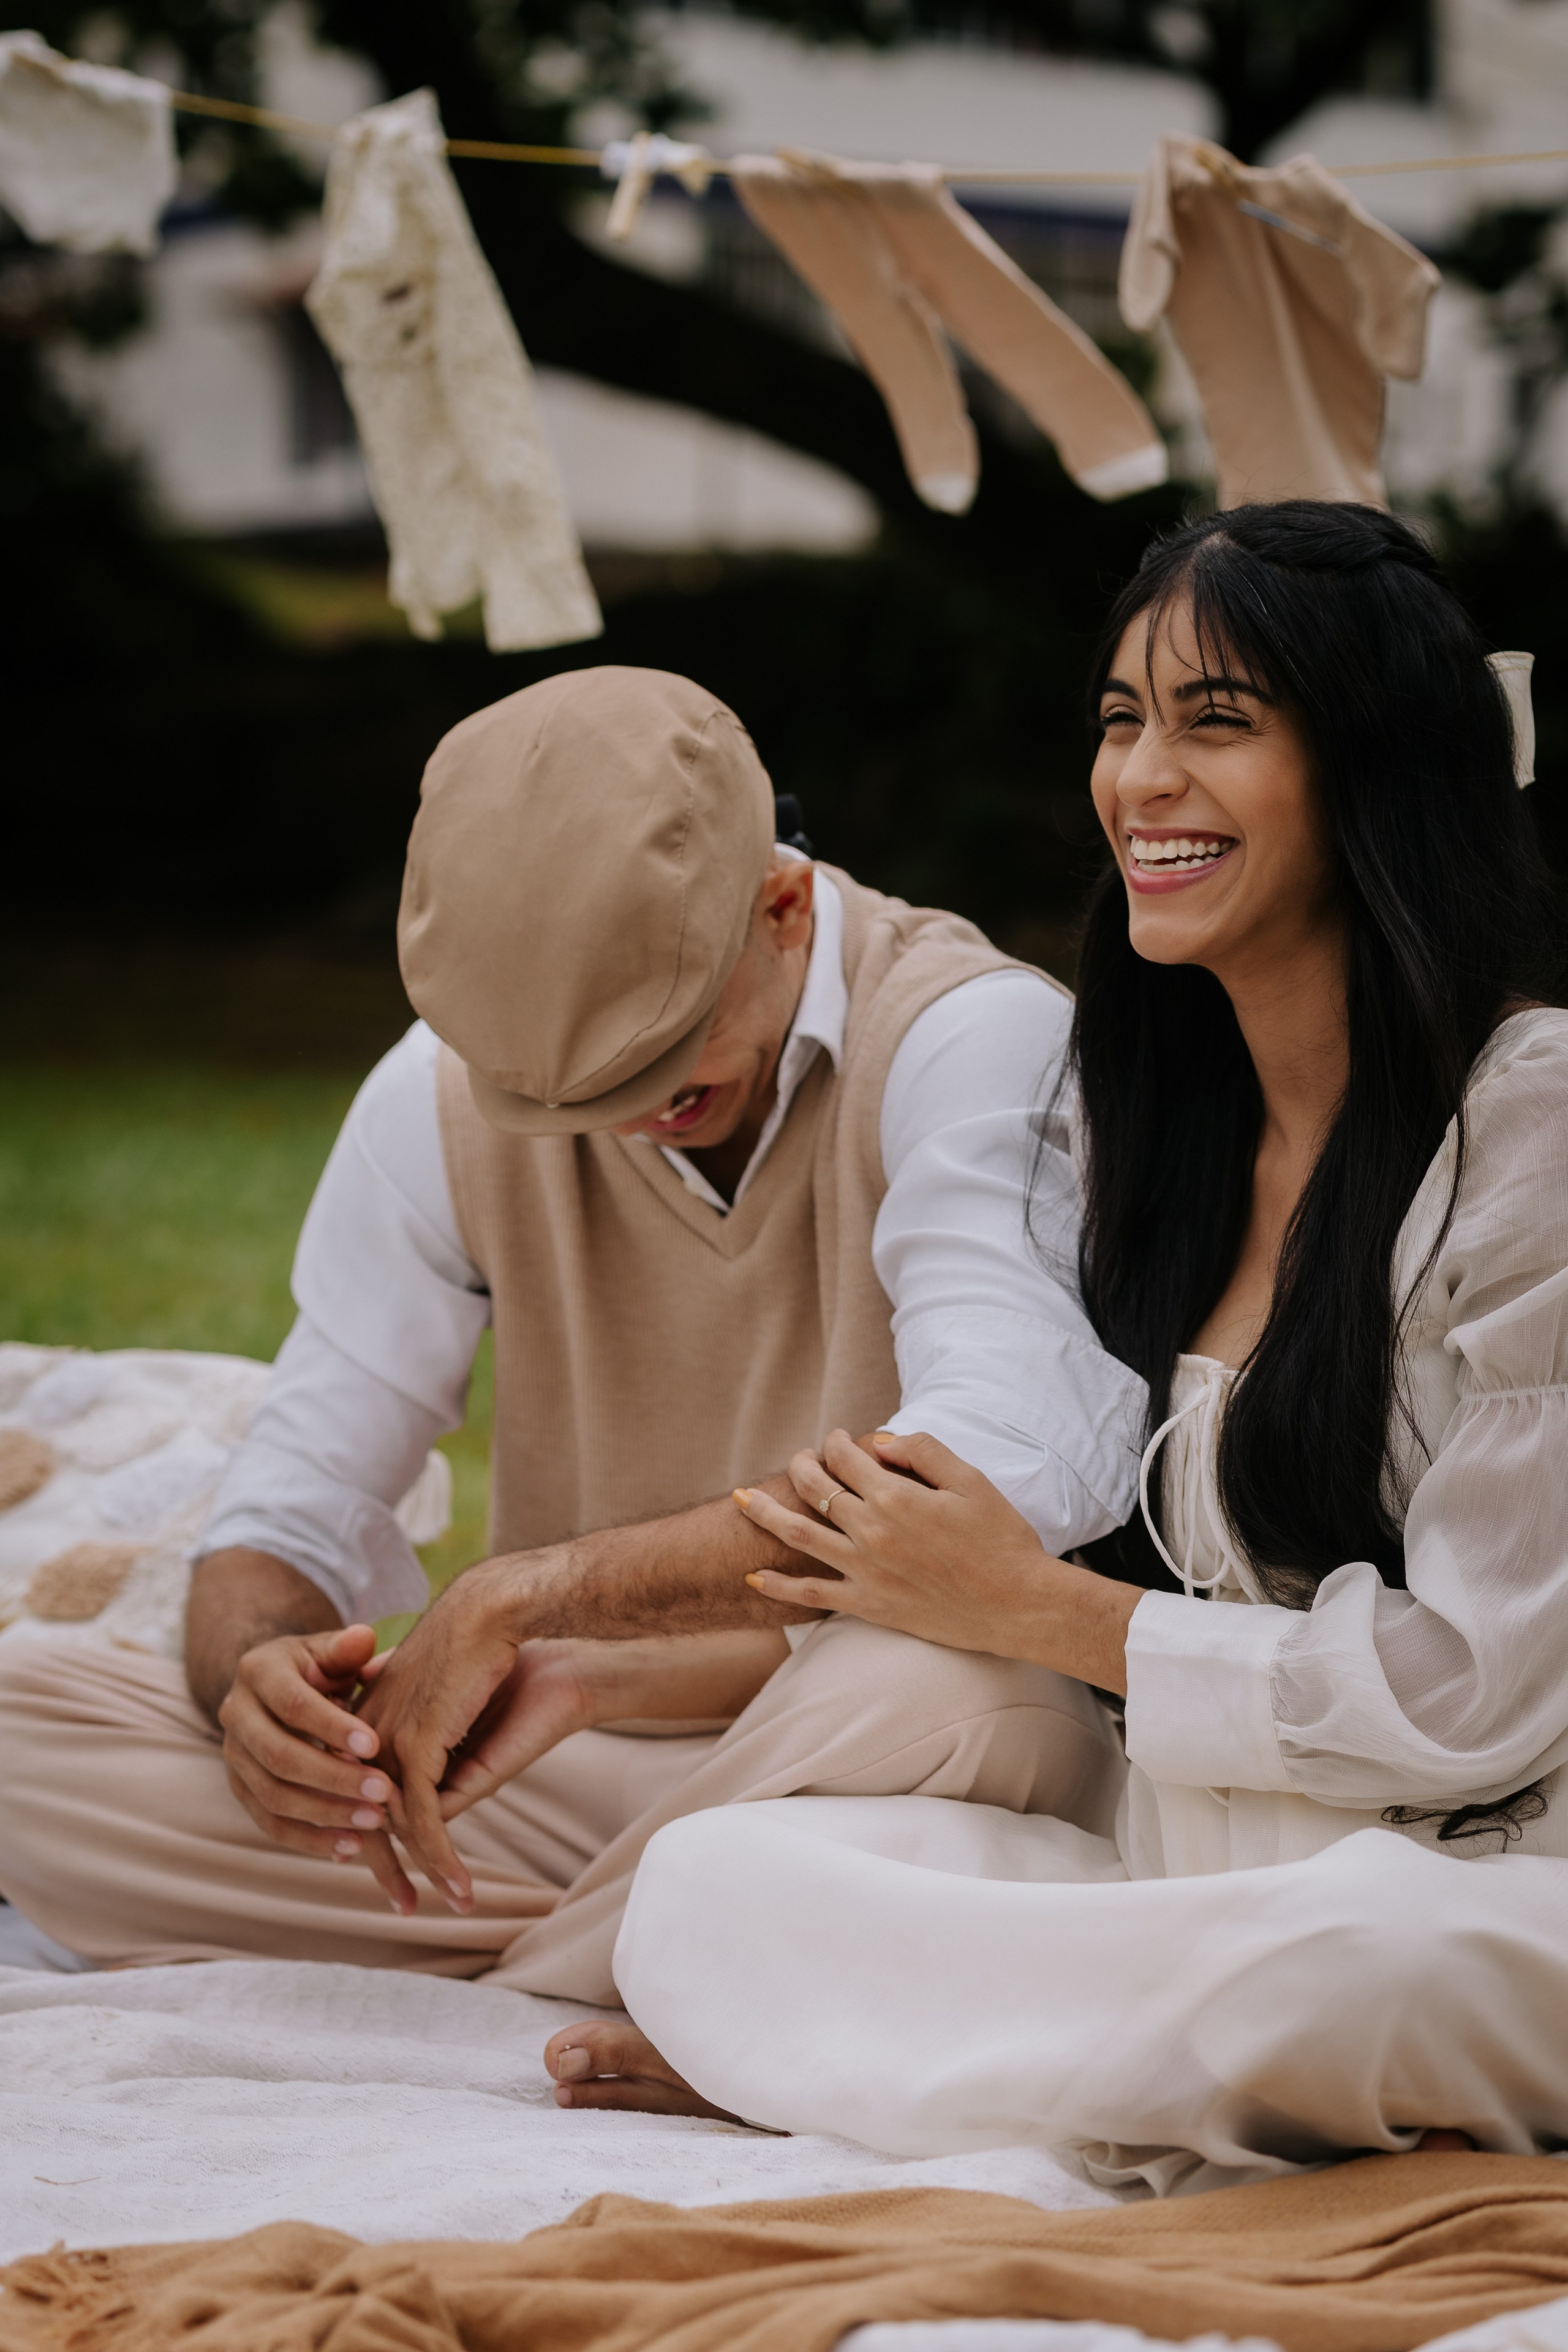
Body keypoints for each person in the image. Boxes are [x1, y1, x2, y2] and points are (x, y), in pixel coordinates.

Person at [543, 505, 1568, 2189]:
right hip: (1189, 1881)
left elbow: (1477, 1696)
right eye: (1121, 718)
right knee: (716, 1888)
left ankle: (914, 2057)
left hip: (1486, 1889)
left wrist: (1044, 1613)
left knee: (1360, 1963)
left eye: (1216, 721)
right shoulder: (1153, 1133)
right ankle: (1097, 2066)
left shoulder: (1529, 1118)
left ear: (1379, 768)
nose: (1143, 776)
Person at [0, 665, 1145, 2002]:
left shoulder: (969, 1035)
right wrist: (261, 1692)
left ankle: (543, 1972)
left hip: (856, 1737)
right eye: (570, 1095)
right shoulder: (436, 1094)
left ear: (781, 906)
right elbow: (289, 1508)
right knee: (26, 1726)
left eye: (662, 1066)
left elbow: (1005, 1463)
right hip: (562, 1762)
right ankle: (680, 1958)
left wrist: (527, 1598)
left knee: (956, 1692)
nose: (623, 1117)